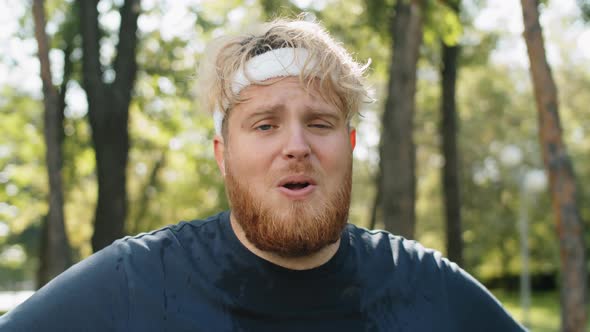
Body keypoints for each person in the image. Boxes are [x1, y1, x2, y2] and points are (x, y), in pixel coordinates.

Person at [0, 18, 526, 332]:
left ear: (349, 145)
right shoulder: (133, 284)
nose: (296, 146)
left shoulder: (427, 288)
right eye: (265, 124)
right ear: (222, 154)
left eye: (319, 123)